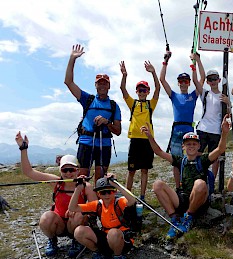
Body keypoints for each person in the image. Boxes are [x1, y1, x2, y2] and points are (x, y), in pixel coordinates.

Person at [141, 115, 231, 240]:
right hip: (182, 198)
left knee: (200, 183)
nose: (191, 146)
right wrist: (150, 137)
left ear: (199, 146)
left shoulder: (204, 159)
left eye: (194, 143)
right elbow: (159, 152)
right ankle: (175, 219)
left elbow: (220, 149)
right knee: (157, 184)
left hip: (200, 200)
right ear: (183, 146)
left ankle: (188, 217)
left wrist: (224, 133)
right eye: (188, 144)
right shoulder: (180, 161)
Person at [15, 131, 97, 257]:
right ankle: (52, 239)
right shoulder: (56, 182)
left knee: (78, 214)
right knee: (46, 217)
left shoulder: (86, 186)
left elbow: (95, 208)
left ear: (78, 170)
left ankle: (77, 240)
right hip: (59, 224)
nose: (68, 173)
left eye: (72, 170)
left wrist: (83, 214)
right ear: (60, 170)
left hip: (76, 224)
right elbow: (29, 172)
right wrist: (23, 149)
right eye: (65, 170)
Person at [64, 44, 122, 184]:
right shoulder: (87, 100)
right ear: (95, 85)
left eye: (105, 83)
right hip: (86, 142)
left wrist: (106, 122)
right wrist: (72, 59)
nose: (102, 86)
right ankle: (83, 204)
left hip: (105, 143)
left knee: (100, 178)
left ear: (108, 86)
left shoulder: (114, 106)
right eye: (99, 83)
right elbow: (68, 82)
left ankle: (97, 204)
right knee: (83, 177)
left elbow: (118, 131)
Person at [68, 175, 136, 259]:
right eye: (103, 192)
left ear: (115, 191)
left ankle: (118, 256)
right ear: (98, 194)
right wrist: (78, 188)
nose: (107, 195)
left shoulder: (119, 202)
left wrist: (117, 185)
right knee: (79, 231)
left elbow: (132, 200)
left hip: (123, 239)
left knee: (113, 233)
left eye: (110, 191)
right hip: (106, 238)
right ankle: (99, 254)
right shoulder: (97, 205)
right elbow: (72, 208)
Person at [160, 50, 205, 187]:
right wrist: (165, 61)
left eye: (186, 81)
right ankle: (178, 187)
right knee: (176, 161)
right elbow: (162, 80)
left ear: (189, 83)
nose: (183, 83)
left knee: (190, 159)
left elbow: (202, 78)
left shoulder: (193, 95)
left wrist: (197, 60)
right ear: (178, 83)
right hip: (176, 130)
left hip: (189, 131)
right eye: (181, 81)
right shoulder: (173, 95)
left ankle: (188, 184)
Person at [119, 60, 160, 202]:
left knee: (144, 170)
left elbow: (158, 90)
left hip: (148, 140)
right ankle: (127, 195)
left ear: (147, 92)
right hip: (135, 140)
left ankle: (142, 197)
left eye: (144, 90)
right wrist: (124, 75)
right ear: (136, 92)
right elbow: (122, 89)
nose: (142, 92)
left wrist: (154, 72)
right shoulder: (133, 103)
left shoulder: (150, 104)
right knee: (131, 170)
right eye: (139, 90)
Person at [191, 53, 231, 177]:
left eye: (215, 79)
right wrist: (197, 60)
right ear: (207, 82)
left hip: (216, 131)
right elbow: (195, 81)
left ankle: (212, 181)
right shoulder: (205, 93)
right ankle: (196, 175)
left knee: (215, 158)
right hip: (203, 128)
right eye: (210, 79)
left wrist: (228, 103)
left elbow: (229, 115)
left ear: (219, 80)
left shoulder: (224, 95)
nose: (213, 81)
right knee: (198, 153)